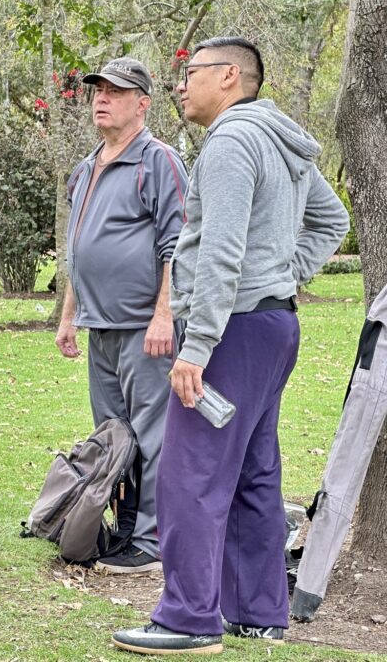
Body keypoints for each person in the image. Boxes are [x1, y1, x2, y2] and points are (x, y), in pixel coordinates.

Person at [112, 38, 349, 655]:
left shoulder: (233, 140)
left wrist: (197, 347)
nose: (181, 86)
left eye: (190, 74)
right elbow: (332, 220)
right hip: (272, 326)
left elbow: (220, 251)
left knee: (188, 475)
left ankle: (188, 618)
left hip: (233, 330)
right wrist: (284, 274)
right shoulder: (280, 139)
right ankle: (260, 610)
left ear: (228, 76)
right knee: (253, 472)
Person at [54, 57, 188, 574]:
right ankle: (120, 525)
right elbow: (78, 249)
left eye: (116, 91)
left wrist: (163, 317)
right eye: (98, 91)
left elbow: (176, 246)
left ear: (143, 103)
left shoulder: (160, 161)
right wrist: (70, 315)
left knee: (153, 434)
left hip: (144, 330)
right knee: (113, 435)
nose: (102, 99)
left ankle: (151, 541)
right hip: (99, 326)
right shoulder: (87, 166)